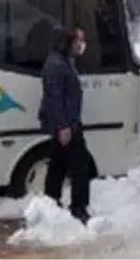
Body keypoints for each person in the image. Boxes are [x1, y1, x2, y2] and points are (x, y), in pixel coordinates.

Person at [38, 28, 91, 224]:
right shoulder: (57, 66)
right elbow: (55, 98)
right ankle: (78, 208)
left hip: (68, 123)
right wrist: (63, 126)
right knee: (80, 167)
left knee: (58, 165)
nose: (80, 46)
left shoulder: (64, 61)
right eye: (77, 42)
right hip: (67, 125)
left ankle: (51, 202)